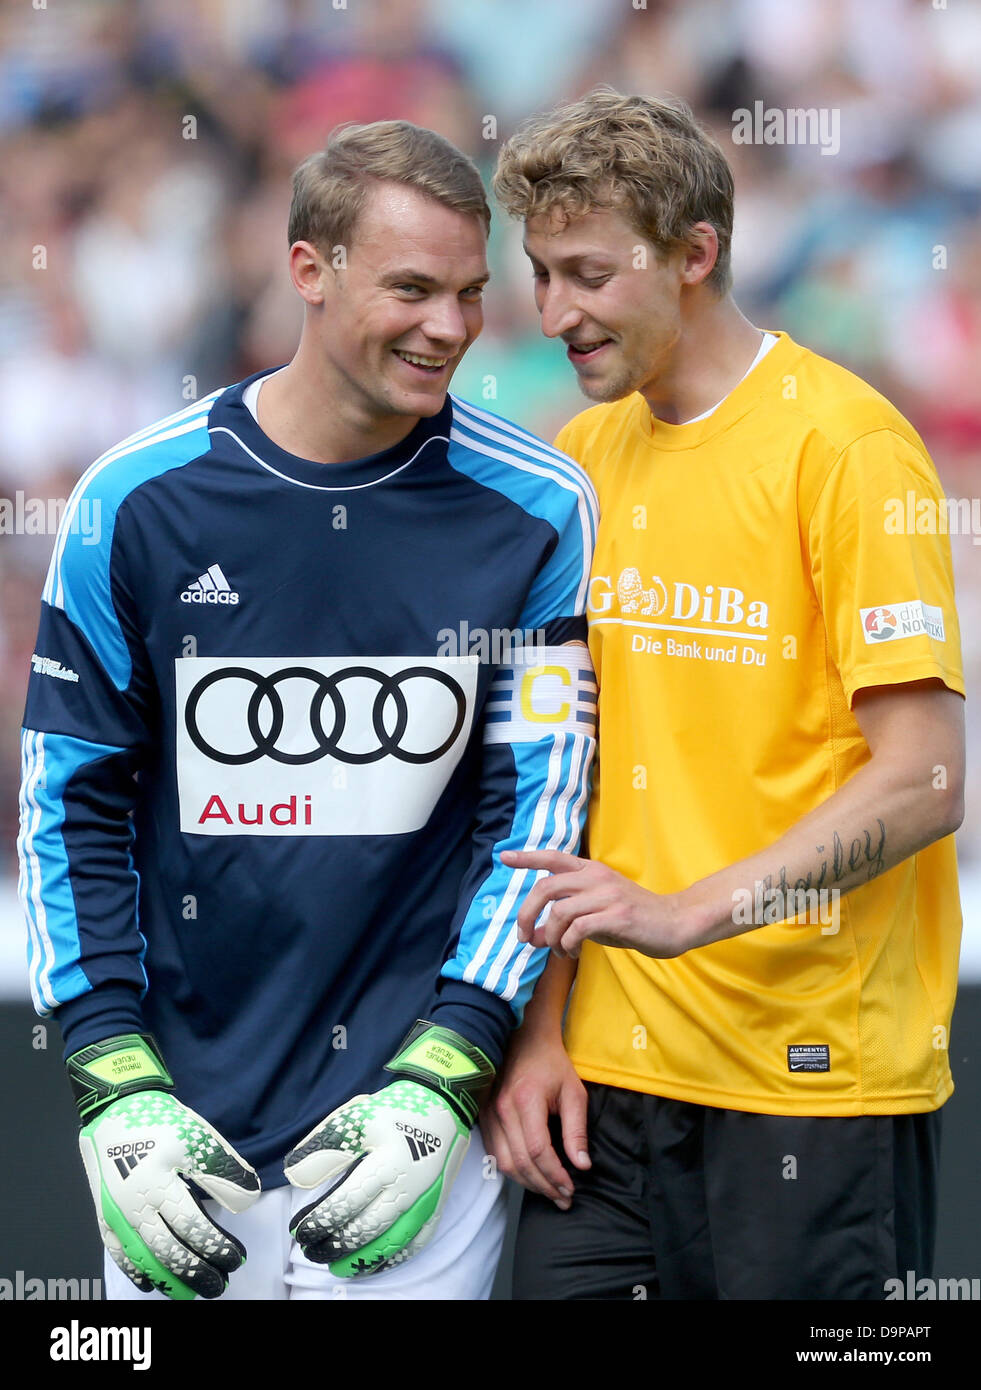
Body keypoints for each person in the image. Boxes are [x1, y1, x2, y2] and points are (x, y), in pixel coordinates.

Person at [16, 119, 597, 1302]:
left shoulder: (540, 508)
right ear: (308, 269)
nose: (450, 327)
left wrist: (448, 1066)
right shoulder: (132, 502)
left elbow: (539, 814)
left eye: (471, 294)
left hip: (409, 1136)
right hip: (178, 1131)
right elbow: (65, 805)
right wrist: (112, 1078)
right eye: (412, 289)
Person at [484, 88, 966, 1300]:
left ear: (695, 254)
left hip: (810, 1086)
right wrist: (541, 1036)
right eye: (540, 274)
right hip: (606, 1093)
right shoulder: (579, 461)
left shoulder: (848, 450)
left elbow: (927, 777)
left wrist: (687, 911)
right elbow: (559, 779)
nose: (554, 313)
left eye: (587, 273)